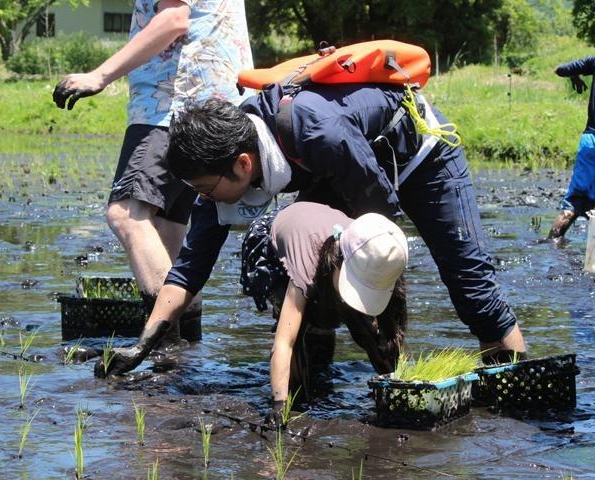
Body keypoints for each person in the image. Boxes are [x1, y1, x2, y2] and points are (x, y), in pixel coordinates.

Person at [95, 81, 527, 378]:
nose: (204, 200)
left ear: (242, 166)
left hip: (422, 157)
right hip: (340, 171)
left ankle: (511, 382)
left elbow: (378, 229)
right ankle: (313, 388)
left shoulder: (315, 131)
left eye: (207, 190)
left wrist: (372, 324)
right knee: (301, 270)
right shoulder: (220, 167)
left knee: (468, 280)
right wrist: (142, 346)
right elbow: (190, 267)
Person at [52, 0, 253, 341]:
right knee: (167, 230)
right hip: (214, 105)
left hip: (171, 105)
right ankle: (186, 353)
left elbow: (175, 18)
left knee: (127, 214)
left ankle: (165, 347)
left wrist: (99, 75)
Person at [240, 202, 407, 422]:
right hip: (273, 245)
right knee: (300, 331)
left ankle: (385, 389)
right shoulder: (306, 264)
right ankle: (297, 397)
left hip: (325, 244)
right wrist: (279, 407)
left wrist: (401, 387)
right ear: (338, 264)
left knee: (364, 328)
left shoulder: (382, 254)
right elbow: (284, 342)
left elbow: (390, 332)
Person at [549, 56, 595, 239]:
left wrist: (575, 76)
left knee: (573, 204)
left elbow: (561, 69)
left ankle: (553, 247)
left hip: (590, 141)